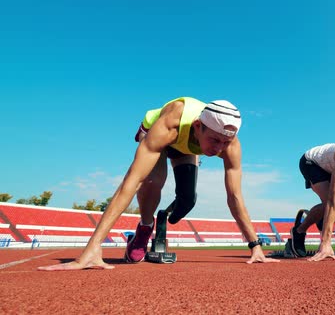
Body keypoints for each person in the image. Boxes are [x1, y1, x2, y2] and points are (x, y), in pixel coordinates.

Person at [39, 97, 279, 270]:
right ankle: (145, 227)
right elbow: (131, 182)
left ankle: (161, 218)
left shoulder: (230, 144)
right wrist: (93, 247)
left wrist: (255, 246)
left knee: (188, 199)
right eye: (214, 140)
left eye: (225, 143)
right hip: (157, 130)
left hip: (186, 144)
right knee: (153, 179)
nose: (218, 149)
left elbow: (235, 196)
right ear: (198, 126)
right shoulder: (172, 123)